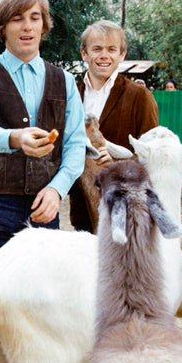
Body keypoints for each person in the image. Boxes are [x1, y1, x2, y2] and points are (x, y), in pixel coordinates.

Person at [0, 0, 87, 268]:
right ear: (2, 27)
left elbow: (75, 145)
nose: (27, 26)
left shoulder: (65, 81)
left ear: (44, 26)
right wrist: (16, 137)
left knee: (40, 303)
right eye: (17, 18)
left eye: (34, 17)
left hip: (45, 207)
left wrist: (57, 190)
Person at [69, 19, 159, 232]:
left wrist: (121, 161)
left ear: (122, 54)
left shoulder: (139, 97)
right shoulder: (71, 95)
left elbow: (153, 156)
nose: (104, 56)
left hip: (127, 214)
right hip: (82, 212)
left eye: (111, 49)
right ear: (84, 54)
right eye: (97, 49)